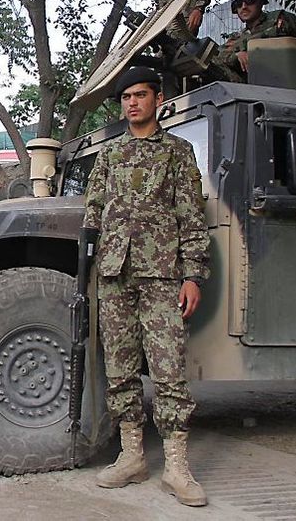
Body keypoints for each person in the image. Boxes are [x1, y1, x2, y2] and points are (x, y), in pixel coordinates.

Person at [84, 66, 210, 507]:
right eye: (126, 98)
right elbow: (93, 216)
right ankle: (132, 455)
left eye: (140, 95)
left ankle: (176, 466)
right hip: (115, 276)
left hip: (162, 276)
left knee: (168, 368)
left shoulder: (178, 152)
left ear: (158, 99)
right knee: (119, 369)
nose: (132, 103)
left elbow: (192, 216)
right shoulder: (109, 156)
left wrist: (193, 274)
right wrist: (89, 271)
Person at [215, 0, 296, 79]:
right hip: (252, 86)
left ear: (260, 2)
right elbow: (217, 58)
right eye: (238, 4)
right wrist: (236, 56)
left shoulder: (280, 20)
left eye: (249, 0)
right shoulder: (236, 39)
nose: (244, 7)